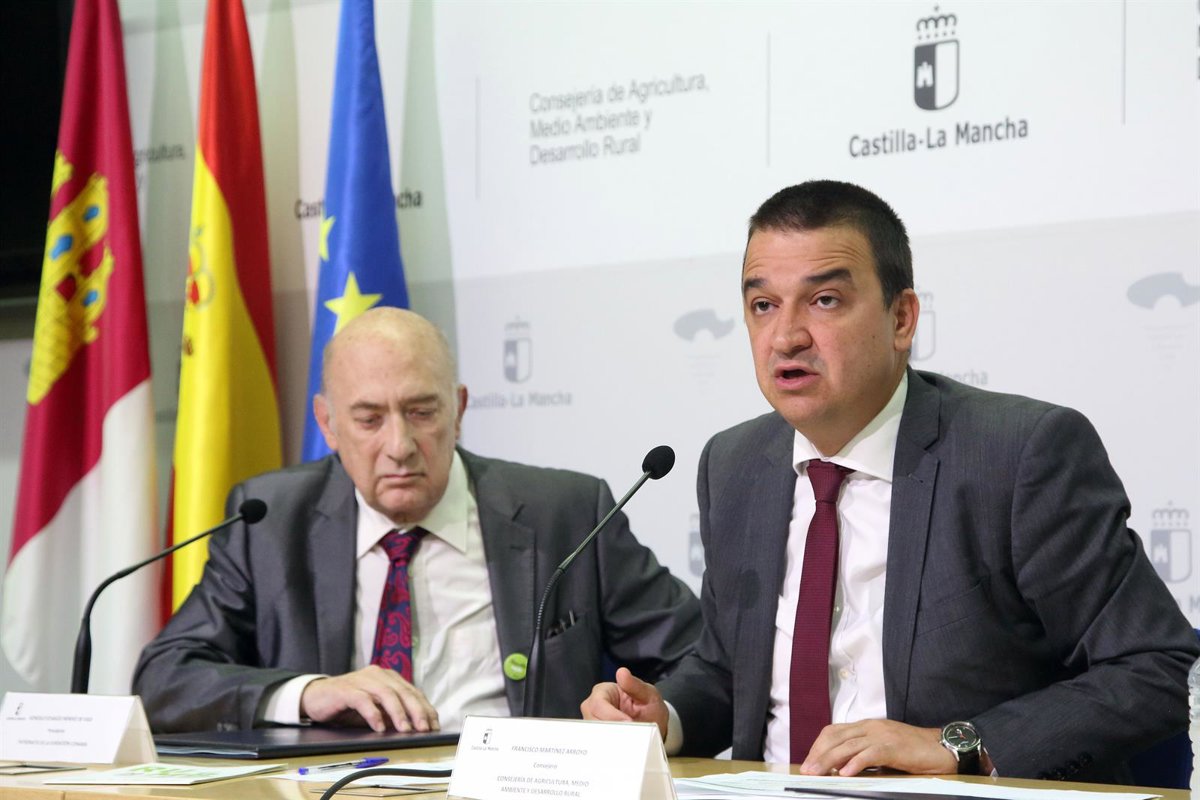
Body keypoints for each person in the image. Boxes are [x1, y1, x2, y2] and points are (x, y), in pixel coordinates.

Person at [581, 180, 1198, 783]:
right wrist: (666, 718)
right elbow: (728, 671)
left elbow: (1154, 667)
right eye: (763, 305)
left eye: (825, 300)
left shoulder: (1017, 455)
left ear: (902, 318)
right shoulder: (734, 463)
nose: (786, 336)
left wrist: (959, 744)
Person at [135, 307, 700, 733]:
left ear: (459, 409)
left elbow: (700, 657)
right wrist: (307, 693)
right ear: (327, 424)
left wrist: (654, 714)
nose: (399, 445)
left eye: (421, 412)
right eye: (369, 419)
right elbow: (165, 677)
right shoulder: (272, 521)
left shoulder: (567, 513)